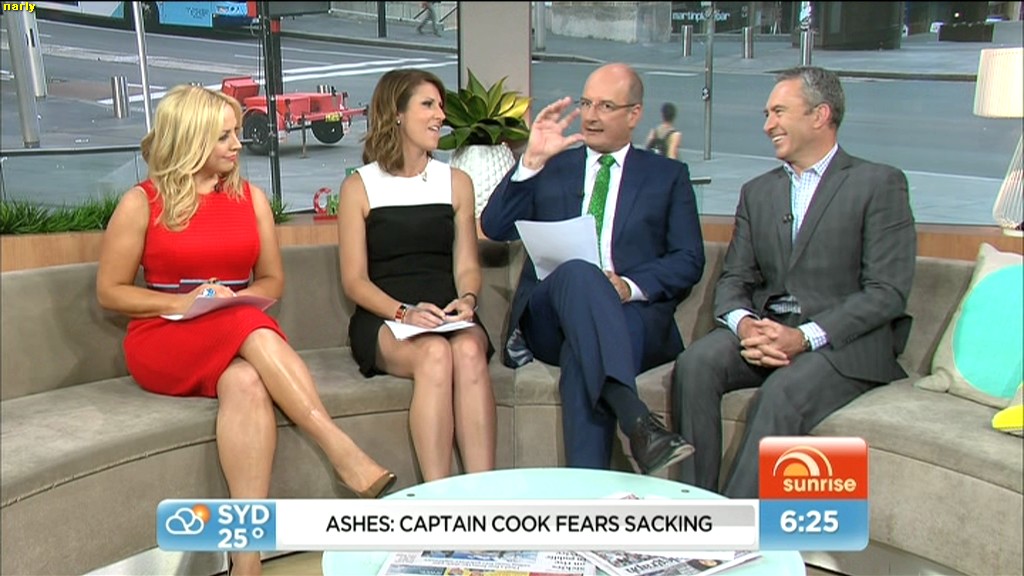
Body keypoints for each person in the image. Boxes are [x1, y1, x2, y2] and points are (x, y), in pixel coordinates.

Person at [95, 85, 396, 576]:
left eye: (236, 132)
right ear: (190, 139)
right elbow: (110, 291)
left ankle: (246, 559)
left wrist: (233, 300)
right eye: (224, 136)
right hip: (164, 337)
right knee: (248, 326)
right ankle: (340, 449)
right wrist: (183, 303)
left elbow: (272, 280)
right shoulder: (142, 202)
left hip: (237, 332)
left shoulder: (250, 199)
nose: (238, 144)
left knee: (247, 381)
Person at [671, 66, 916, 498]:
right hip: (769, 331)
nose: (768, 125)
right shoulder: (757, 192)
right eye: (767, 114)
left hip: (842, 345)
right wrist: (746, 325)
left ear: (820, 115)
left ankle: (735, 529)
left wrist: (803, 337)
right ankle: (697, 506)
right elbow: (735, 277)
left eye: (779, 112)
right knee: (695, 365)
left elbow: (887, 292)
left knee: (781, 393)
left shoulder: (878, 183)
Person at [480, 63, 705, 475]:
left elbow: (688, 258)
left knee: (583, 353)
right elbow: (494, 226)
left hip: (629, 315)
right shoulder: (552, 166)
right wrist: (530, 161)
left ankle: (590, 493)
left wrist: (628, 286)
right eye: (586, 104)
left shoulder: (667, 176)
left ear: (634, 114)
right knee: (580, 273)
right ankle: (636, 419)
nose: (591, 116)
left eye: (605, 106)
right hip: (550, 316)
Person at [338, 68, 496, 482]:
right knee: (434, 355)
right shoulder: (359, 187)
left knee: (467, 351)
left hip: (447, 312)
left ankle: (485, 495)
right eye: (428, 105)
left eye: (440, 106)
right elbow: (354, 281)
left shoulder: (456, 182)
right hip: (387, 315)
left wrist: (468, 299)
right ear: (397, 114)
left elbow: (467, 265)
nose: (440, 115)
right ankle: (437, 500)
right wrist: (404, 313)